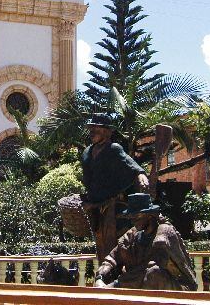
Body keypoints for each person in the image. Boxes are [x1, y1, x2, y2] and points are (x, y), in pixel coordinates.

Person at [80, 113, 149, 260]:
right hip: (94, 206)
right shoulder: (87, 152)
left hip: (111, 205)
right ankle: (104, 268)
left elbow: (129, 162)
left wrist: (140, 174)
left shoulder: (114, 148)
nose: (92, 132)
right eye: (91, 129)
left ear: (106, 131)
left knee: (115, 242)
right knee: (100, 242)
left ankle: (117, 268)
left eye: (96, 129)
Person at [94, 193, 197, 291]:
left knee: (154, 273)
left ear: (150, 215)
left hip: (176, 285)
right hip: (143, 284)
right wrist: (100, 277)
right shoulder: (132, 235)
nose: (133, 221)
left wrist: (115, 285)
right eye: (131, 217)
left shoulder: (164, 232)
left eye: (136, 217)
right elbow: (112, 258)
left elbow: (150, 266)